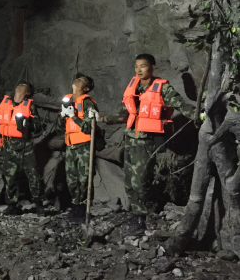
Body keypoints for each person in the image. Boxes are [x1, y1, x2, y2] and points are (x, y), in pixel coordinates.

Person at [100, 54, 198, 234]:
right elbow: (124, 114)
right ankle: (136, 213)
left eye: (143, 66)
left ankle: (142, 217)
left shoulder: (162, 88)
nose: (139, 69)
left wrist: (199, 115)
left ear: (152, 67)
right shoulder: (133, 86)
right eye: (136, 66)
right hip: (130, 139)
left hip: (146, 141)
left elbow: (181, 105)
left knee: (141, 180)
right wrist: (103, 118)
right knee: (129, 180)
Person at [0, 81, 45, 214]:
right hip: (9, 145)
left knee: (33, 174)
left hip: (25, 145)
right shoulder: (6, 103)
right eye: (18, 85)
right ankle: (12, 205)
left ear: (27, 93)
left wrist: (27, 124)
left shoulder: (30, 107)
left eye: (23, 86)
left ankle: (38, 203)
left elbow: (38, 127)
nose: (19, 86)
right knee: (10, 176)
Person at [59, 73, 99, 223]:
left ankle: (83, 209)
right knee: (71, 179)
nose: (77, 80)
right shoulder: (67, 101)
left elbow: (89, 128)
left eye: (82, 80)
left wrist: (75, 117)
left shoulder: (87, 103)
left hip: (84, 145)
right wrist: (62, 116)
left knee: (84, 178)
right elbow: (58, 128)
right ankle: (75, 207)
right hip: (70, 145)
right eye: (77, 78)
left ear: (86, 88)